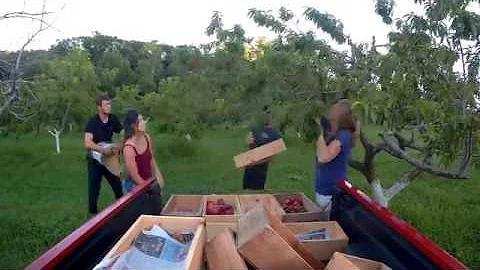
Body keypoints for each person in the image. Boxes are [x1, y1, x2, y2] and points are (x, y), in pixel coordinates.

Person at [315, 100, 357, 214]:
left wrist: (319, 133)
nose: (330, 117)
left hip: (331, 191)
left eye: (333, 117)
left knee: (329, 225)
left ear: (341, 118)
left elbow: (323, 158)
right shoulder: (337, 133)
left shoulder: (343, 136)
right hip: (325, 189)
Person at [84, 94, 123, 215]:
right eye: (106, 104)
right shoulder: (92, 122)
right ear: (99, 107)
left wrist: (120, 144)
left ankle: (122, 208)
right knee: (94, 186)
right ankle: (93, 214)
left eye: (110, 104)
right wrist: (101, 149)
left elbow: (121, 131)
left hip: (109, 157)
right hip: (95, 159)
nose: (109, 106)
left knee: (117, 183)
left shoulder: (113, 118)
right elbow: (87, 143)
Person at [122, 110, 165, 194]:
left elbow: (151, 159)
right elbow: (135, 176)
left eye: (143, 120)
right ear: (133, 125)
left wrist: (158, 178)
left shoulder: (146, 137)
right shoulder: (129, 147)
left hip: (147, 181)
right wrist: (151, 189)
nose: (144, 122)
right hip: (133, 187)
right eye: (140, 121)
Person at [243, 108, 282, 190]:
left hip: (261, 169)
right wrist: (248, 141)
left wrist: (255, 160)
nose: (267, 116)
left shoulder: (275, 135)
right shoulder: (256, 130)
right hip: (248, 168)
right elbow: (248, 143)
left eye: (269, 114)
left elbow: (272, 158)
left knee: (257, 191)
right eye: (265, 114)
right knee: (246, 190)